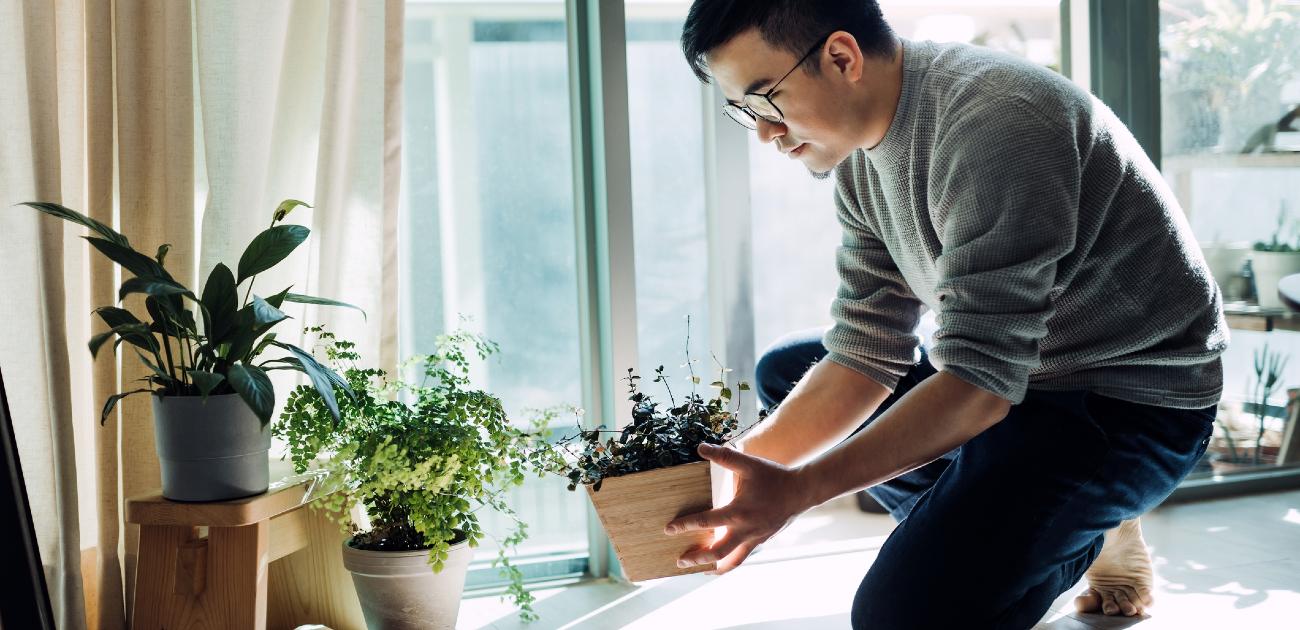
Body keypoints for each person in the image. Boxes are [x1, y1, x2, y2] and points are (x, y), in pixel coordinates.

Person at [662, 2, 1228, 628]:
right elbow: (865, 347)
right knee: (788, 369)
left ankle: (1071, 532)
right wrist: (740, 466)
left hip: (1123, 402)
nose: (765, 132)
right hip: (1016, 384)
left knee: (901, 617)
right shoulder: (857, 152)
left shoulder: (998, 124)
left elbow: (979, 386)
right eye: (745, 111)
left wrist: (796, 491)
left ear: (842, 57)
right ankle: (1024, 523)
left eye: (767, 99)